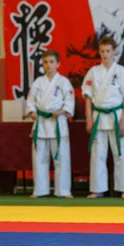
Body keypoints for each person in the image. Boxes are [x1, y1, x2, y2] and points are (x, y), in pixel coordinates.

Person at [82, 36, 124, 199]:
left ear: (114, 52)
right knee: (98, 154)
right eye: (102, 51)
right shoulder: (93, 72)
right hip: (98, 116)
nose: (105, 54)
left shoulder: (122, 72)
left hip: (117, 116)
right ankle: (98, 189)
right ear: (99, 52)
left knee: (121, 152)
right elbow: (88, 97)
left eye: (108, 51)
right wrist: (89, 118)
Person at [25, 50, 74, 198]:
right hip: (41, 124)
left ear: (58, 64)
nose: (48, 65)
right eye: (46, 62)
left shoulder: (64, 82)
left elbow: (69, 102)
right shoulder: (38, 82)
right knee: (40, 159)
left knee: (62, 158)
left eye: (52, 62)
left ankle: (63, 190)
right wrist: (32, 112)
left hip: (57, 123)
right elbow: (30, 101)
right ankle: (40, 190)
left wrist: (62, 111)